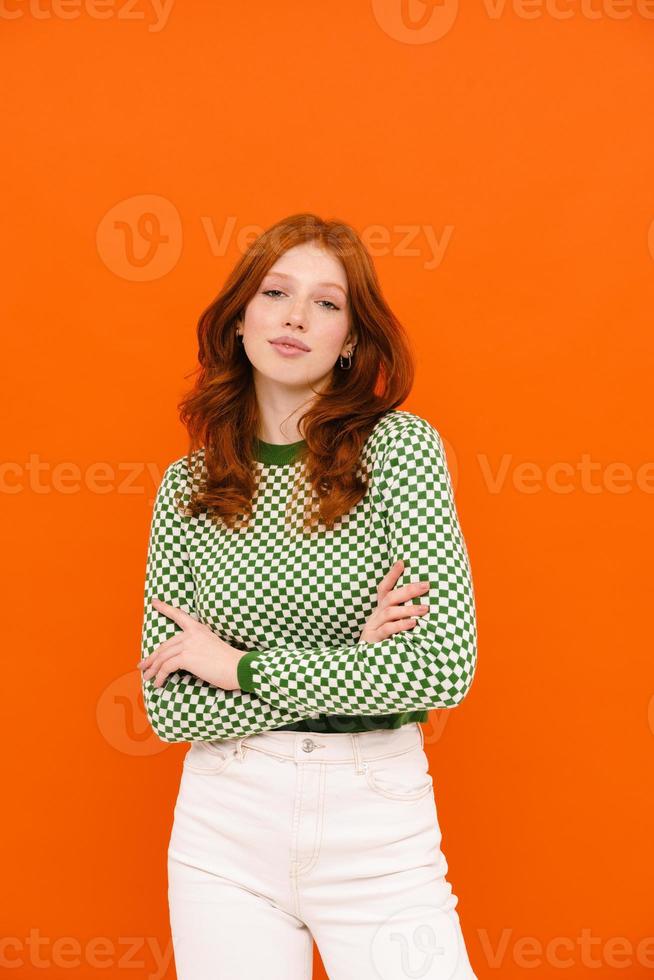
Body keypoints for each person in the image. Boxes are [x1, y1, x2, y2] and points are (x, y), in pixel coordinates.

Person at [138, 212, 479, 979]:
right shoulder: (185, 489)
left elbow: (444, 666)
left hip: (375, 821)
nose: (296, 317)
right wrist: (354, 659)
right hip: (225, 821)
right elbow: (171, 709)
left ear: (353, 340)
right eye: (276, 292)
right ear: (239, 321)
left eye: (328, 303)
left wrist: (239, 667)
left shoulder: (400, 450)